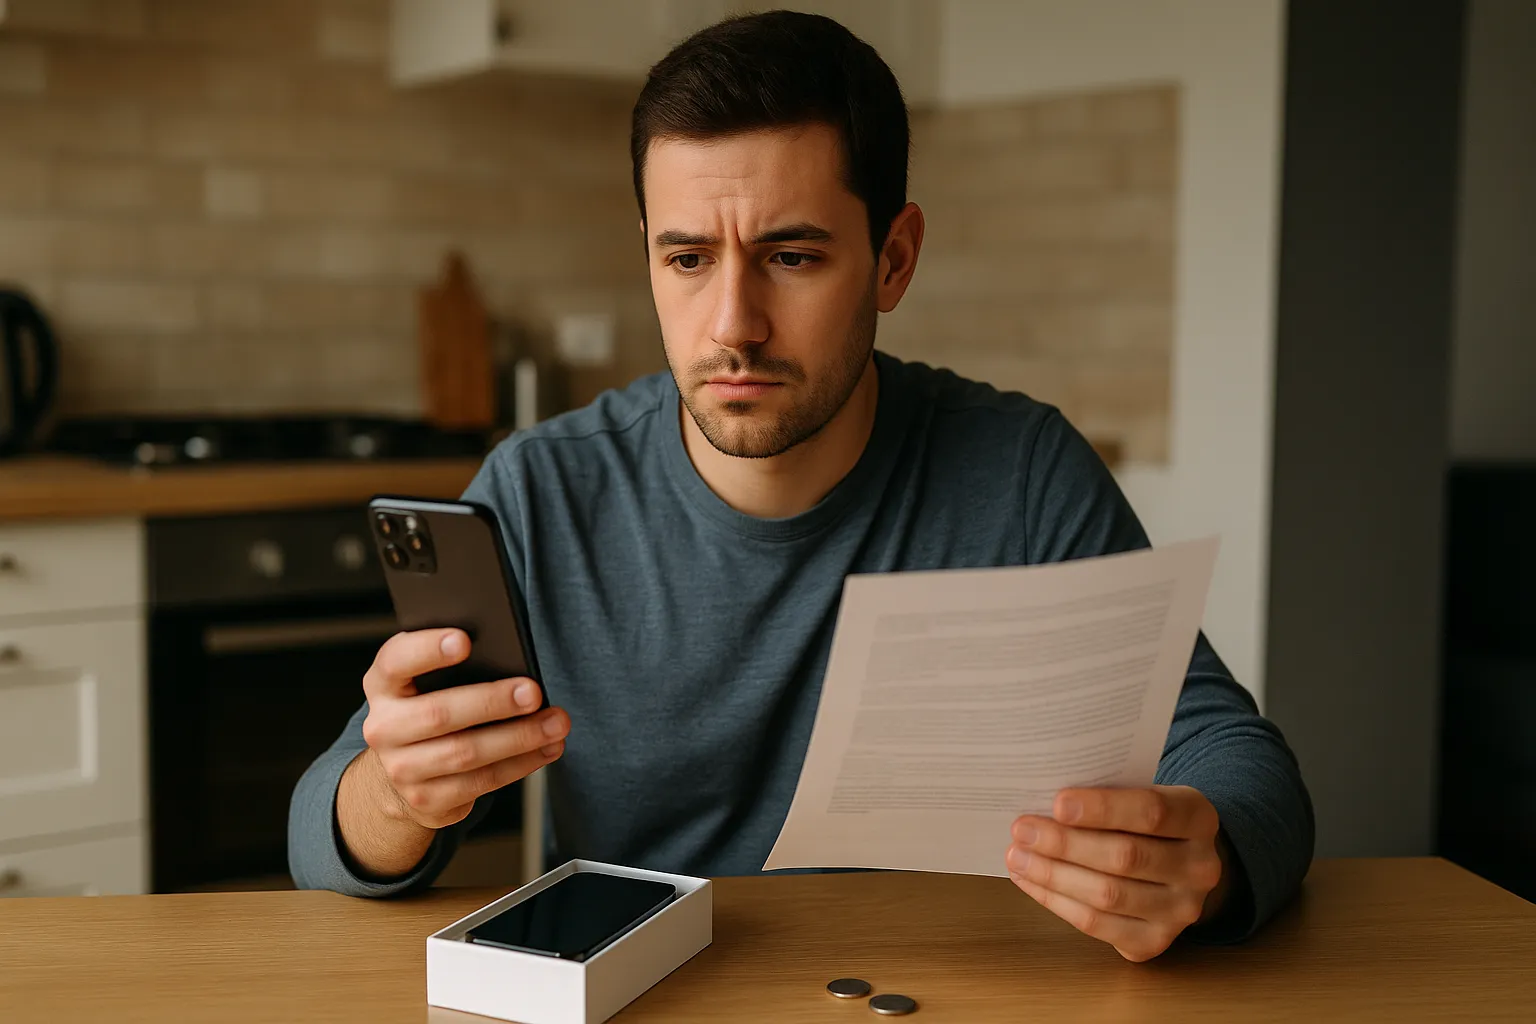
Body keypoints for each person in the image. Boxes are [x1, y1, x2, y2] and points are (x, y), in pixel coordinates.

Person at [290, 10, 1312, 962]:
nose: (733, 321)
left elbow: (1239, 760)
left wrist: (1199, 865)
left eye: (790, 255)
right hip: (652, 990)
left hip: (945, 986)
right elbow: (321, 832)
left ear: (893, 260)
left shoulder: (1021, 471)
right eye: (687, 257)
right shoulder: (541, 489)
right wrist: (399, 791)